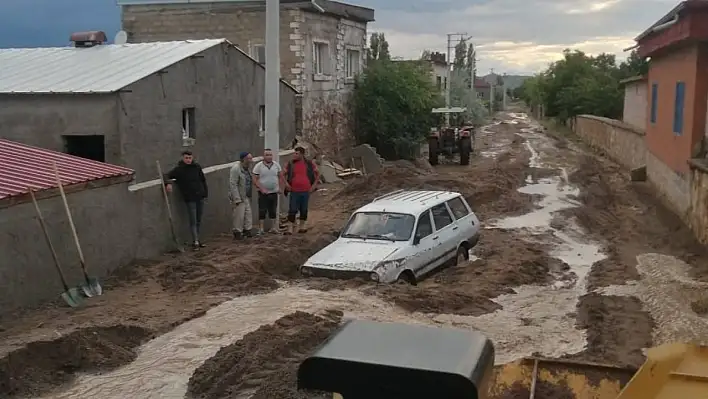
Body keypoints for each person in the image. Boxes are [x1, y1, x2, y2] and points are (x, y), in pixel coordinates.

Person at [164, 150, 208, 250]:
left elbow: (203, 180)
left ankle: (198, 239)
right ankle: (195, 241)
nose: (188, 160)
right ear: (183, 158)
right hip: (190, 198)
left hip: (199, 196)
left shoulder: (197, 167)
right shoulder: (179, 170)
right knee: (193, 220)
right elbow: (166, 175)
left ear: (192, 158)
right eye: (186, 158)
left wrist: (205, 193)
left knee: (198, 219)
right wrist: (168, 183)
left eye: (189, 158)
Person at [283, 146, 319, 234]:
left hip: (306, 190)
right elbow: (282, 174)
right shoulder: (290, 164)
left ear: (302, 154)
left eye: (296, 153)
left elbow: (317, 174)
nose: (294, 155)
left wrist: (314, 186)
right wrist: (286, 184)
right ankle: (290, 229)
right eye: (294, 153)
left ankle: (302, 227)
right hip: (294, 190)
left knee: (304, 209)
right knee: (292, 209)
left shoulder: (309, 164)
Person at [252, 148, 285, 234]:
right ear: (263, 156)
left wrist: (280, 187)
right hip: (263, 193)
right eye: (267, 155)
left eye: (270, 155)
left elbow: (281, 176)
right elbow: (254, 179)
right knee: (262, 210)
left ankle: (273, 227)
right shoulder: (258, 166)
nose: (269, 156)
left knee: (273, 210)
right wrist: (261, 188)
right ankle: (261, 229)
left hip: (274, 192)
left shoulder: (276, 165)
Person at [229, 152, 254, 240]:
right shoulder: (236, 169)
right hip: (239, 196)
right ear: (243, 159)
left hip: (246, 195)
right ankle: (237, 232)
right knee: (238, 216)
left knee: (248, 214)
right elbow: (233, 184)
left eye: (251, 158)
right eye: (249, 159)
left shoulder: (248, 168)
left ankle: (247, 230)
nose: (251, 161)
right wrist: (236, 198)